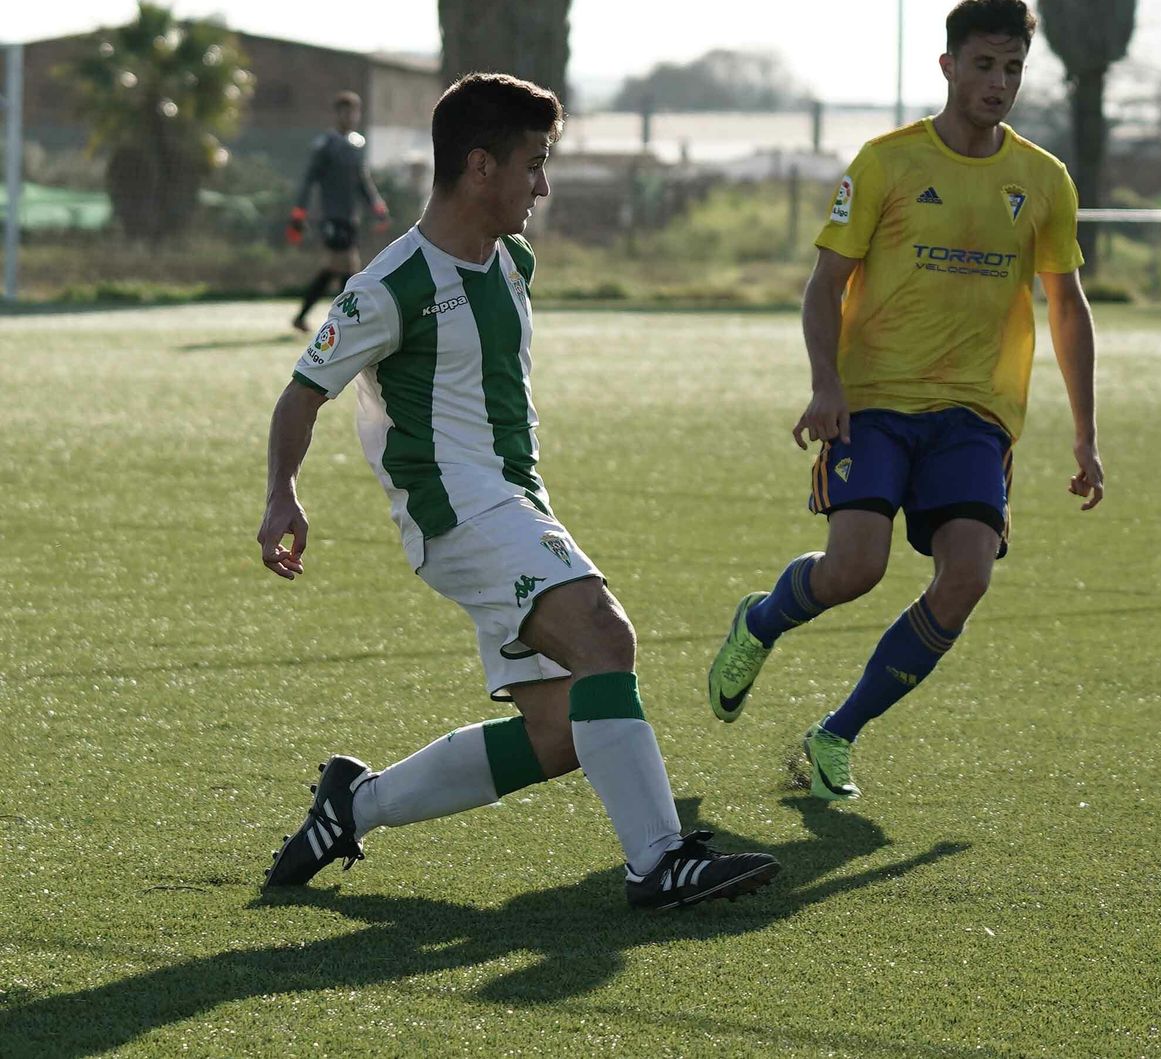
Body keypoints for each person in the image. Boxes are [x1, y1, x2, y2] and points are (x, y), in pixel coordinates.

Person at [259, 72, 779, 911]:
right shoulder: (389, 287)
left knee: (557, 733)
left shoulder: (511, 259)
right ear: (478, 167)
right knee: (606, 637)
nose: (543, 185)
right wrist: (282, 493)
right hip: (460, 514)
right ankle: (659, 858)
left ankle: (354, 803)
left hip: (514, 502)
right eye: (533, 164)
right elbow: (301, 392)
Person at [708, 0, 1104, 801]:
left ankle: (835, 735)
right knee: (855, 566)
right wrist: (825, 383)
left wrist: (1085, 436)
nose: (998, 83)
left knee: (966, 578)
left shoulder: (1043, 178)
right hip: (875, 399)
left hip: (975, 414)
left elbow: (1067, 306)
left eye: (1013, 69)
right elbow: (824, 286)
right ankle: (762, 620)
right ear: (949, 66)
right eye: (985, 65)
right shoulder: (886, 161)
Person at [288, 90, 390, 333]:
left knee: (338, 267)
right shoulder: (326, 145)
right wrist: (299, 212)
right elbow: (308, 181)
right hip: (331, 216)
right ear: (337, 114)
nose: (350, 116)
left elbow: (363, 180)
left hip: (350, 217)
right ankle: (349, 320)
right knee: (347, 265)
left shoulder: (356, 143)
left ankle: (305, 317)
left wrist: (377, 205)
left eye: (354, 111)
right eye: (345, 111)